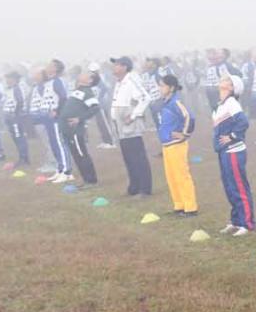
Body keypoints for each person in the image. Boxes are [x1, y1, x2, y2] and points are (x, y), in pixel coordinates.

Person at [210, 73, 256, 236]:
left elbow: (243, 122)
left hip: (234, 151)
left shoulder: (231, 103)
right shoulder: (221, 104)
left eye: (226, 80)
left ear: (231, 87)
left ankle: (247, 223)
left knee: (238, 186)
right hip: (224, 151)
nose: (222, 80)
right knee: (229, 187)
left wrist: (232, 136)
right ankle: (236, 220)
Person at [155, 74, 198, 216]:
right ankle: (179, 205)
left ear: (171, 88)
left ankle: (190, 207)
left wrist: (185, 134)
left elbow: (189, 117)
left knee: (181, 175)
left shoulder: (176, 102)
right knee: (171, 177)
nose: (160, 88)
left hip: (177, 145)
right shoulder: (164, 103)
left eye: (162, 86)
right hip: (166, 145)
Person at [109, 57, 154, 195]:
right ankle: (134, 186)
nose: (114, 67)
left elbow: (145, 98)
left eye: (117, 65)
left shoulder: (131, 80)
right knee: (128, 157)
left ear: (124, 67)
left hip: (131, 124)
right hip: (120, 125)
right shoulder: (119, 82)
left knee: (137, 157)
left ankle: (145, 188)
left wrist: (134, 115)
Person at [58, 72, 102, 186]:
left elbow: (95, 108)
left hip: (75, 130)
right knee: (76, 155)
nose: (82, 74)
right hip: (67, 128)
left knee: (81, 154)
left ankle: (91, 181)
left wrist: (80, 118)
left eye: (87, 74)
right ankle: (86, 180)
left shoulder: (87, 92)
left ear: (90, 80)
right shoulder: (78, 90)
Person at [30, 64, 71, 182]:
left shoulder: (57, 81)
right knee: (53, 144)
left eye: (50, 65)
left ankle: (66, 172)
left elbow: (63, 98)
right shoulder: (48, 83)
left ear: (55, 69)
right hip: (47, 119)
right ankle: (60, 169)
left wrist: (57, 111)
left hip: (55, 119)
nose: (47, 67)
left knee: (59, 144)